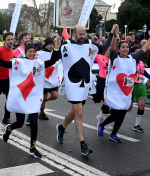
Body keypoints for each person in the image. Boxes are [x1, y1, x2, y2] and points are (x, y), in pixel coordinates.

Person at [0, 38, 61, 159]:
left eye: (34, 51)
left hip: (33, 98)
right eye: (30, 51)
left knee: (34, 122)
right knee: (19, 123)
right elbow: (3, 64)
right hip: (21, 97)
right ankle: (9, 129)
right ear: (26, 53)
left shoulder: (39, 63)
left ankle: (33, 148)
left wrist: (56, 48)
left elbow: (53, 60)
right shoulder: (18, 62)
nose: (32, 53)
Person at [97, 28, 150, 143]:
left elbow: (143, 49)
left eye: (127, 47)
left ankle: (113, 134)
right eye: (123, 47)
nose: (125, 49)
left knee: (122, 113)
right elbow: (112, 47)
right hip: (115, 91)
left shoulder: (133, 58)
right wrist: (115, 35)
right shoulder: (115, 58)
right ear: (119, 50)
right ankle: (102, 124)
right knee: (118, 112)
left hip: (126, 91)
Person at [55, 25, 98, 156]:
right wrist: (56, 48)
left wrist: (113, 35)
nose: (83, 36)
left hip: (85, 83)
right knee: (79, 112)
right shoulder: (65, 45)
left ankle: (61, 128)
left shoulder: (89, 44)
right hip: (72, 83)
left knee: (75, 111)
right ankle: (83, 144)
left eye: (84, 34)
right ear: (74, 33)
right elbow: (54, 58)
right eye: (80, 34)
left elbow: (106, 48)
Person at [92, 24, 118, 129]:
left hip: (111, 82)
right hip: (102, 81)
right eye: (107, 49)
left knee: (109, 102)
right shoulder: (100, 57)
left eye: (111, 49)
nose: (109, 51)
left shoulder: (114, 59)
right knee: (106, 101)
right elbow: (92, 54)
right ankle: (105, 121)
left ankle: (101, 117)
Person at [131, 47, 150, 133]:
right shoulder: (130, 61)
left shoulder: (141, 62)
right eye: (137, 52)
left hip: (140, 85)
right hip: (130, 85)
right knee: (127, 108)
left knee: (142, 105)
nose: (140, 54)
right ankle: (108, 118)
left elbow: (144, 72)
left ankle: (136, 125)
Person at [37, 37, 60, 120]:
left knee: (55, 96)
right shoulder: (39, 53)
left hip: (53, 78)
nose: (51, 46)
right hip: (43, 79)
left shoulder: (56, 53)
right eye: (49, 44)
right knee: (43, 97)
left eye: (52, 44)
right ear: (45, 45)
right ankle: (42, 112)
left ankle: (45, 101)